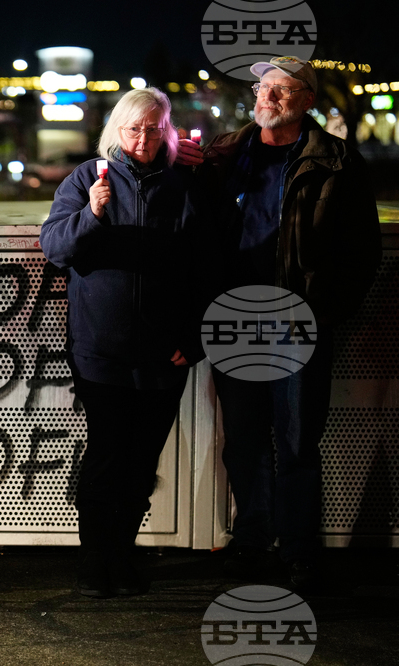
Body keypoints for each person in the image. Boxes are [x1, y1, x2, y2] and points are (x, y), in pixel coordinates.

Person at [177, 57, 381, 590]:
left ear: (307, 100)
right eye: (263, 87)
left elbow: (363, 251)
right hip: (231, 318)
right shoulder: (223, 153)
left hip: (296, 322)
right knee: (242, 440)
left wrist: (323, 311)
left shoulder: (336, 160)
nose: (267, 96)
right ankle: (252, 539)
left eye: (282, 89)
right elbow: (187, 226)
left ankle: (298, 548)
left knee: (295, 442)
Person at [39, 88, 205, 598]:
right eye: (134, 128)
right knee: (107, 456)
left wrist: (192, 337)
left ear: (167, 130)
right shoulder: (87, 178)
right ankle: (96, 562)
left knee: (140, 463)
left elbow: (208, 268)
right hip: (101, 353)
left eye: (154, 129)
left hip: (163, 355)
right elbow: (54, 247)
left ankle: (122, 556)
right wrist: (90, 214)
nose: (143, 138)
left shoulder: (183, 186)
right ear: (116, 129)